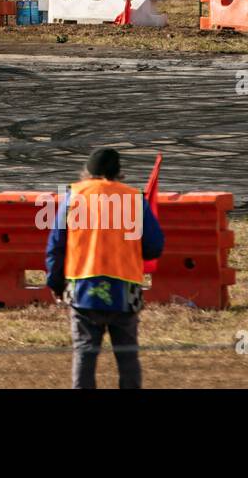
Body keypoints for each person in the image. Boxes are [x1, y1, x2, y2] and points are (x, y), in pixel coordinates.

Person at [45, 148, 164, 389]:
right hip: (125, 291)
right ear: (119, 173)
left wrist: (55, 283)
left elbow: (56, 245)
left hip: (82, 290)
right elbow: (154, 246)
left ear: (87, 173)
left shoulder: (73, 196)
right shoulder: (134, 199)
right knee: (128, 356)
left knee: (85, 353)